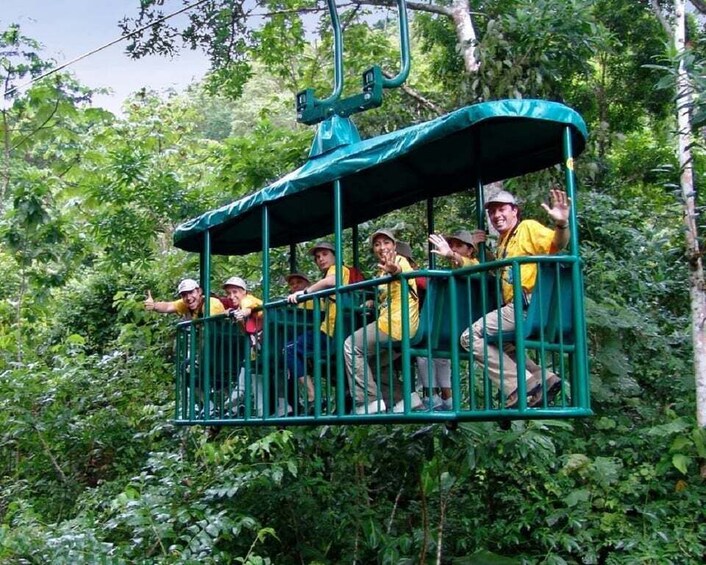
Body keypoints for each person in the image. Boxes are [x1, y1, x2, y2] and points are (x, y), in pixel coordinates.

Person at [460, 189, 568, 408]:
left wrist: (562, 224)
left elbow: (558, 244)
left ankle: (520, 384)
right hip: (525, 307)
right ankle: (545, 378)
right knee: (505, 345)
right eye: (492, 212)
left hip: (525, 306)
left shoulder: (527, 227)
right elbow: (495, 270)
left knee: (469, 337)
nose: (496, 215)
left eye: (501, 209)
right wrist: (478, 247)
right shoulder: (504, 241)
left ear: (514, 211)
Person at [344, 229, 420, 414]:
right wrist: (374, 301)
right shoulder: (382, 272)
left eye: (386, 242)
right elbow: (391, 292)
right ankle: (405, 399)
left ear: (394, 246)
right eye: (377, 244)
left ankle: (368, 401)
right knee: (372, 364)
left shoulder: (399, 261)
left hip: (395, 323)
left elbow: (399, 271)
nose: (382, 247)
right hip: (399, 324)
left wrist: (393, 268)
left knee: (351, 346)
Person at [284, 241, 351, 413]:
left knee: (289, 349)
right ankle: (340, 395)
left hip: (331, 332)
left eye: (324, 254)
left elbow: (332, 280)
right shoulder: (332, 275)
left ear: (335, 256)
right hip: (332, 330)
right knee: (304, 354)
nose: (320, 259)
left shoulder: (338, 270)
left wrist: (305, 292)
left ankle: (313, 397)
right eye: (317, 257)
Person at [144, 278, 225, 319]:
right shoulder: (187, 303)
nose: (188, 298)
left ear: (199, 291)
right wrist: (154, 306)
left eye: (191, 292)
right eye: (184, 295)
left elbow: (210, 324)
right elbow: (168, 306)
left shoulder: (211, 304)